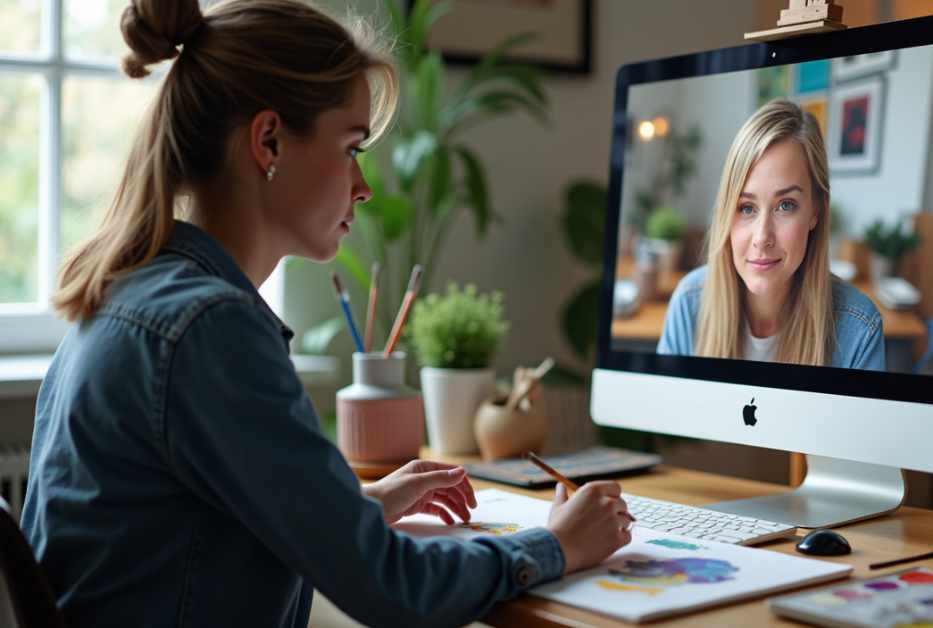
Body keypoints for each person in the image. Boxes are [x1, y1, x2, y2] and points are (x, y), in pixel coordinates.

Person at [20, 1, 631, 626]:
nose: (363, 186)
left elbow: (177, 523)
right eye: (351, 147)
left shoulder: (129, 293)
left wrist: (356, 508)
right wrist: (559, 544)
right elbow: (395, 592)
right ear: (269, 141)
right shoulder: (208, 327)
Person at [657, 99, 885, 370]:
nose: (762, 236)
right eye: (746, 207)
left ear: (816, 212)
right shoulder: (689, 304)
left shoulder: (859, 329)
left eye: (785, 205)